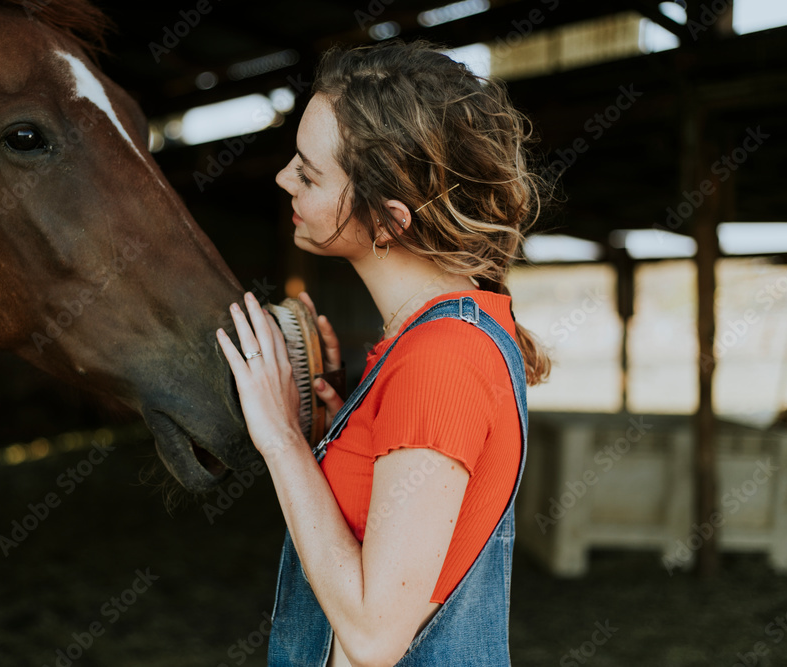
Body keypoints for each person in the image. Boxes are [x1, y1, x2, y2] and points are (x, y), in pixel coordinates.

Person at [215, 39, 550, 667]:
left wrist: (283, 441)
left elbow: (372, 638)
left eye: (309, 173)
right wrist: (341, 434)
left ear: (391, 220)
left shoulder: (441, 360)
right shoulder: (431, 342)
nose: (284, 177)